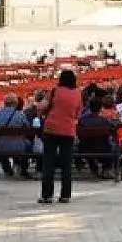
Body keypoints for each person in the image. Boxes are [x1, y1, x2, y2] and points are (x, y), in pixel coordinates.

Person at [38, 69, 80, 204]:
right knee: (66, 163)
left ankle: (47, 195)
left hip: (51, 129)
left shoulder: (54, 91)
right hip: (68, 130)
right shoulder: (78, 94)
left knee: (48, 162)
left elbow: (42, 107)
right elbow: (78, 113)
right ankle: (65, 195)